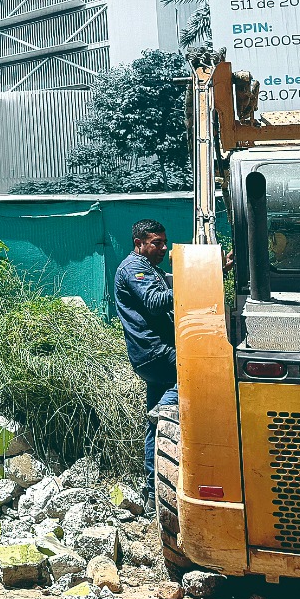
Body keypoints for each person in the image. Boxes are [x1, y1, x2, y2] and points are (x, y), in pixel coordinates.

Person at [114, 218, 176, 509]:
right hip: (157, 353)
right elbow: (154, 301)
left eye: (164, 242)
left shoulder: (149, 267)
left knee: (156, 422)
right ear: (139, 244)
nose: (163, 247)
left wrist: (215, 270)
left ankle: (153, 493)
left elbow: (166, 286)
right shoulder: (133, 268)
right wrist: (194, 284)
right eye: (156, 243)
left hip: (153, 354)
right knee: (201, 376)